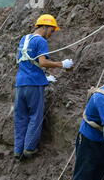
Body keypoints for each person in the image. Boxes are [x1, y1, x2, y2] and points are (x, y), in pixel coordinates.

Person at [14, 14, 74, 159]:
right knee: (35, 115)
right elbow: (42, 62)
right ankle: (29, 149)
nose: (51, 34)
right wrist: (62, 64)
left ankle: (18, 150)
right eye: (52, 30)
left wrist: (43, 76)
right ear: (46, 27)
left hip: (20, 83)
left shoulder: (25, 38)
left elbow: (26, 61)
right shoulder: (41, 41)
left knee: (21, 117)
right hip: (34, 84)